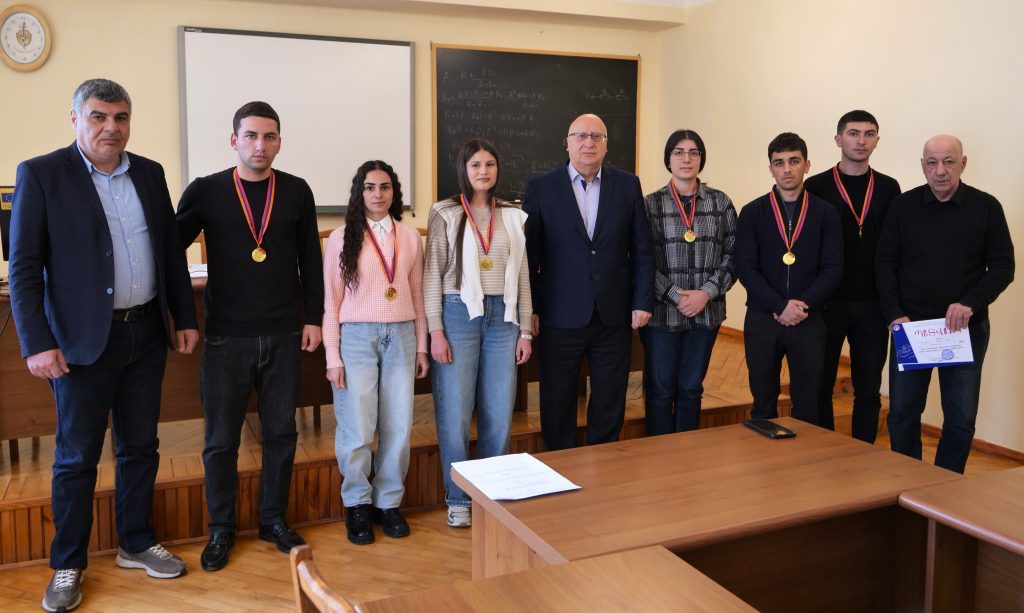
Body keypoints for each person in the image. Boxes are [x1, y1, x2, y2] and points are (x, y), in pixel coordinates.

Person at [9, 78, 198, 612]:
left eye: (120, 117)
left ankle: (136, 542)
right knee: (76, 458)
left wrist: (183, 317)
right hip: (81, 343)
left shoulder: (150, 173)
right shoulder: (42, 174)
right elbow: (24, 267)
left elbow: (170, 253)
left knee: (141, 447)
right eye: (98, 116)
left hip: (146, 333)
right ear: (75, 119)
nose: (111, 127)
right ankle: (67, 563)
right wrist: (37, 342)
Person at [176, 101, 324, 571]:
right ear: (234, 140)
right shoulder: (206, 191)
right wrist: (181, 315)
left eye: (269, 137)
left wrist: (315, 317)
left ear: (279, 142)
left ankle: (272, 519)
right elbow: (168, 251)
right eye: (251, 136)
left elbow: (311, 260)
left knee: (281, 433)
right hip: (226, 338)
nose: (260, 145)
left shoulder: (297, 191)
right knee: (221, 441)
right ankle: (221, 527)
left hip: (284, 334)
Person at [876, 135, 1014, 474]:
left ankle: (945, 485)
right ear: (922, 166)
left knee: (961, 418)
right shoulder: (902, 206)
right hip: (912, 329)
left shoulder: (987, 207)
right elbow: (885, 263)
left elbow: (1003, 266)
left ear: (962, 164)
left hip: (964, 329)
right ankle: (908, 483)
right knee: (902, 413)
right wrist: (894, 314)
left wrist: (970, 303)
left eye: (949, 162)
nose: (940, 170)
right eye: (932, 162)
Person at [524, 113, 654, 451]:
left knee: (610, 397)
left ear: (606, 145)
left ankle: (604, 464)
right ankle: (560, 463)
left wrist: (642, 300)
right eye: (580, 136)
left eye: (597, 136)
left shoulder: (627, 185)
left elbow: (642, 249)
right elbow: (530, 257)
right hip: (558, 315)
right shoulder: (541, 188)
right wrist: (531, 309)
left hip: (613, 315)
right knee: (557, 399)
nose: (588, 142)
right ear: (567, 143)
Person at [424, 139, 533, 528]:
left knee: (499, 413)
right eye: (475, 165)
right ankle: (458, 499)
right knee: (455, 413)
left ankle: (493, 497)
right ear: (464, 169)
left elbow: (522, 273)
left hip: (504, 317)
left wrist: (525, 330)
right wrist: (435, 331)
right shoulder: (446, 212)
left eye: (490, 164)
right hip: (458, 313)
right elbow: (432, 274)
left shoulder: (513, 215)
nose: (483, 171)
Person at [322, 160, 429, 545]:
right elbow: (331, 302)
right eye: (370, 187)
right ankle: (358, 503)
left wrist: (422, 346)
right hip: (356, 338)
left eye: (385, 187)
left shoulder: (410, 236)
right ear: (359, 193)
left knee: (398, 425)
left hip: (401, 335)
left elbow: (417, 294)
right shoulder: (341, 238)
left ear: (394, 192)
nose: (378, 194)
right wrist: (332, 356)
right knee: (358, 425)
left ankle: (388, 502)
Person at [805, 110, 901, 443]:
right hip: (826, 303)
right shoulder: (815, 186)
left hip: (873, 304)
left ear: (877, 140)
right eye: (853, 133)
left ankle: (863, 453)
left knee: (869, 389)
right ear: (838, 139)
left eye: (869, 134)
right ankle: (824, 447)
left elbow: (895, 248)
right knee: (820, 384)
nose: (861, 141)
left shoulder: (889, 187)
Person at [735, 132, 842, 425]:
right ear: (770, 168)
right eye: (779, 162)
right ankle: (763, 455)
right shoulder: (752, 212)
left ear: (806, 165)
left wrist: (802, 304)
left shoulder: (826, 213)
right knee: (762, 403)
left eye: (794, 161)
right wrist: (779, 305)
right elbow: (745, 267)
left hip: (808, 319)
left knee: (808, 405)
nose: (786, 169)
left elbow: (833, 268)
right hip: (763, 318)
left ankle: (804, 456)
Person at [640, 129, 737, 435]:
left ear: (701, 159)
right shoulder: (650, 204)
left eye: (693, 152)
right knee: (660, 389)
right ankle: (658, 451)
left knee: (691, 388)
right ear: (668, 159)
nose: (686, 159)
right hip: (662, 314)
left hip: (706, 313)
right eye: (679, 152)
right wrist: (674, 295)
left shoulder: (720, 202)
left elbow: (735, 255)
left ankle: (687, 452)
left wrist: (706, 293)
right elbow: (641, 260)